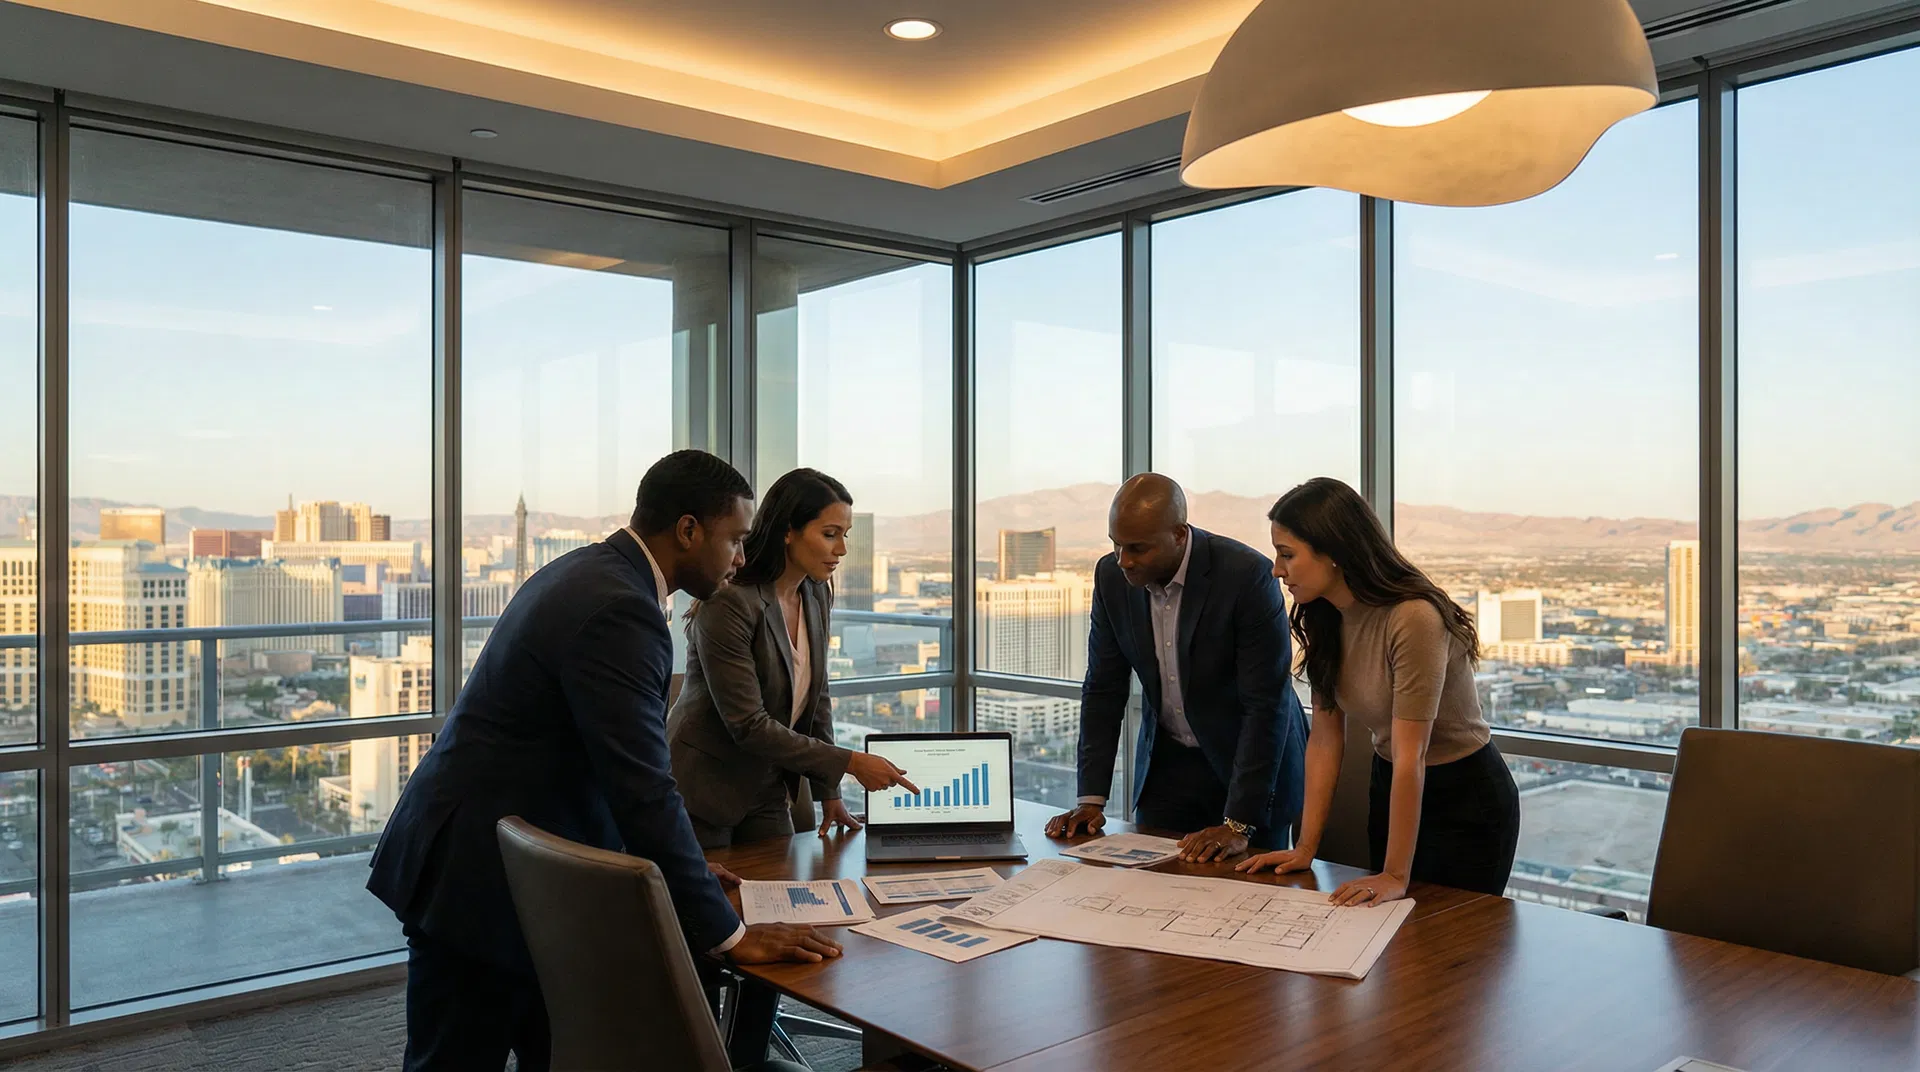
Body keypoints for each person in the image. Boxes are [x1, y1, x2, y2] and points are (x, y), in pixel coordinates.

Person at [367, 450, 842, 1072]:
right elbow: (641, 788)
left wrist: (688, 871)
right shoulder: (621, 609)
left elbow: (596, 765)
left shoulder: (591, 571)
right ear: (688, 530)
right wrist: (730, 935)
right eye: (734, 539)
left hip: (515, 866)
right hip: (478, 879)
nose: (741, 558)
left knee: (566, 1049)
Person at [1237, 476, 1521, 905]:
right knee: (1393, 942)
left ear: (1332, 553)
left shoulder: (1414, 617)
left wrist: (1393, 874)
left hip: (1465, 798)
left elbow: (1414, 754)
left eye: (1288, 555)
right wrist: (1305, 848)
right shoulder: (1324, 615)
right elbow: (1327, 739)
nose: (1277, 570)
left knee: (1449, 945)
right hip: (1391, 782)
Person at [1046, 473, 1308, 862]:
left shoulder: (1246, 576)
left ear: (1179, 535)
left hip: (1249, 768)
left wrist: (1238, 823)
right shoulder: (1111, 578)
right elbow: (1103, 688)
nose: (1124, 561)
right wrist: (1091, 800)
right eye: (1116, 545)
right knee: (1154, 891)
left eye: (1137, 548)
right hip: (1168, 768)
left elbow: (1265, 705)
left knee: (1247, 902)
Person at [669, 467, 917, 848]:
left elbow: (817, 699)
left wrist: (829, 793)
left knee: (782, 897)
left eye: (845, 536)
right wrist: (850, 762)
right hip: (704, 790)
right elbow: (748, 724)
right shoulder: (730, 602)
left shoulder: (815, 594)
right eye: (830, 534)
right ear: (788, 531)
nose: (842, 550)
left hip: (767, 786)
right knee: (716, 904)